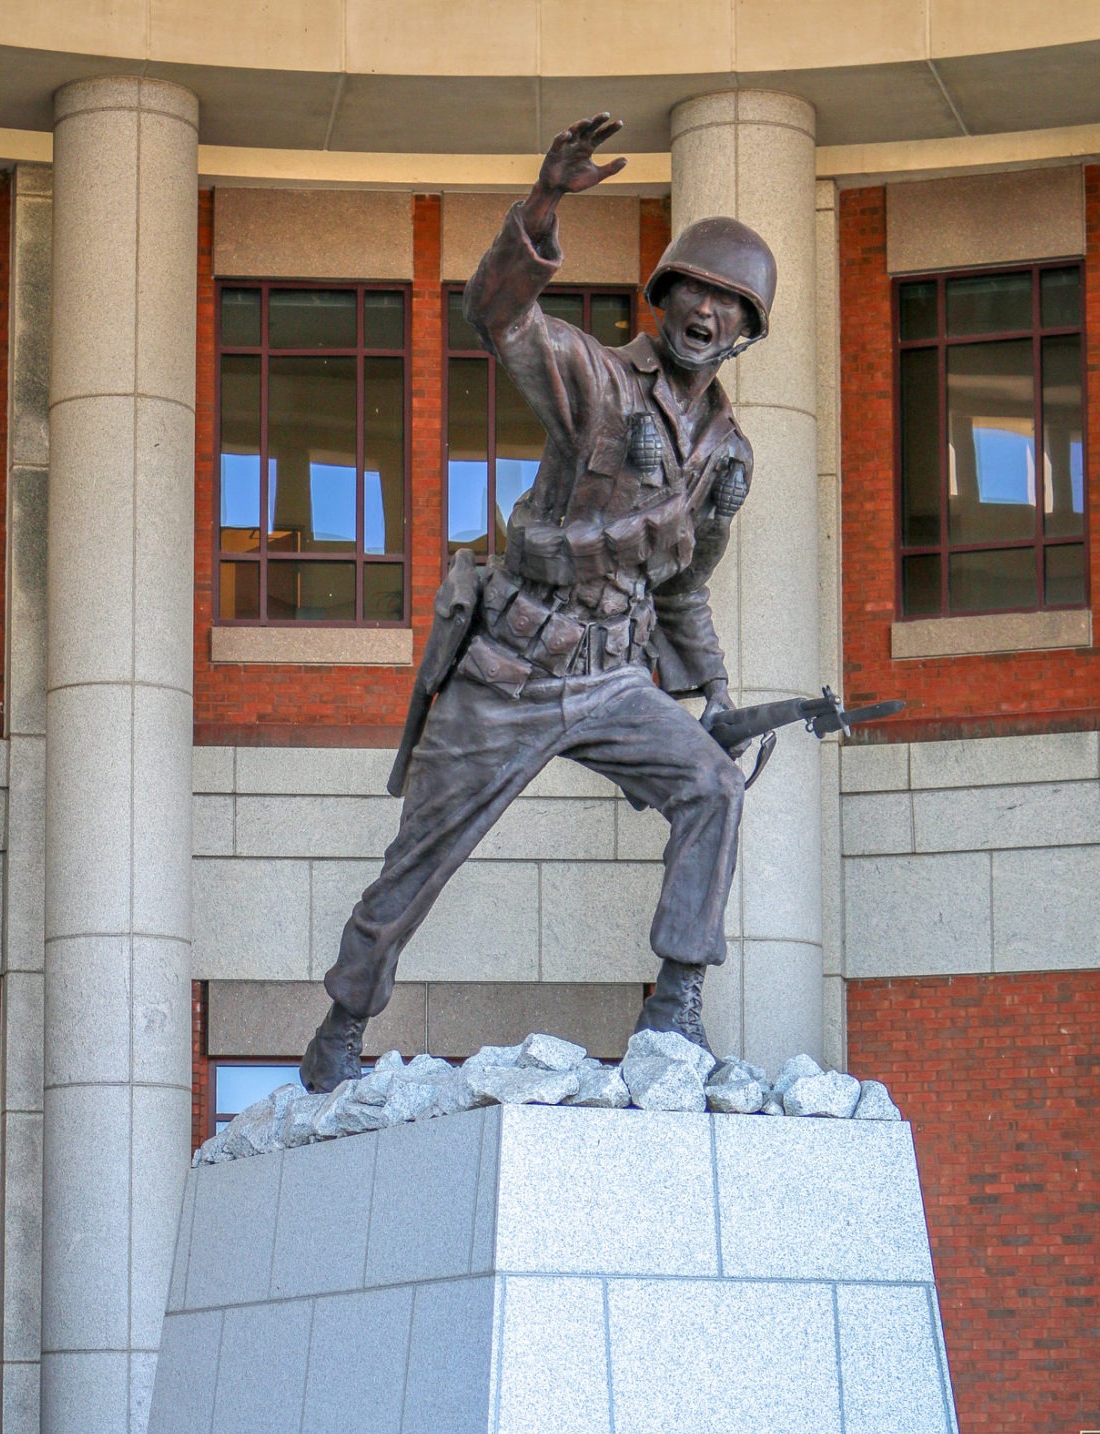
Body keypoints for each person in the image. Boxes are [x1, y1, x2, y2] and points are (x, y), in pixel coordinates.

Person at [301, 111, 777, 1092]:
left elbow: (683, 587)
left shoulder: (726, 457)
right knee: (419, 859)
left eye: (734, 307)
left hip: (612, 678)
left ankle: (678, 1000)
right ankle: (344, 1017)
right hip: (515, 665)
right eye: (697, 290)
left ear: (747, 333)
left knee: (710, 784)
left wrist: (718, 697)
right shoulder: (598, 383)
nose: (709, 315)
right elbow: (499, 316)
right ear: (665, 296)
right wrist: (544, 204)